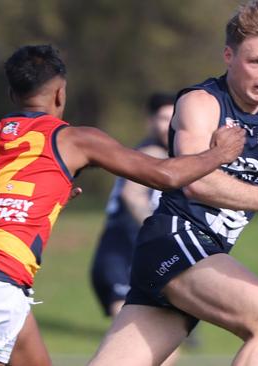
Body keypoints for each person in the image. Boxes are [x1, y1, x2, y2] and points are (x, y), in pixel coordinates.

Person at [0, 45, 246, 366]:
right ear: (60, 93)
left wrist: (44, 198)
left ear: (12, 94)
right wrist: (219, 154)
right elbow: (164, 174)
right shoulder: (73, 139)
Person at [88, 2, 258, 366]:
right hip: (175, 241)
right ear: (229, 56)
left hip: (204, 254)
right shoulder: (200, 103)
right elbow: (196, 185)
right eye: (256, 62)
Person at [89, 92, 174, 318]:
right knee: (134, 333)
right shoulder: (151, 153)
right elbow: (132, 194)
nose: (169, 126)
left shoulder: (166, 155)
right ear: (151, 121)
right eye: (164, 119)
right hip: (122, 249)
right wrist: (161, 234)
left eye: (174, 119)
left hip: (139, 253)